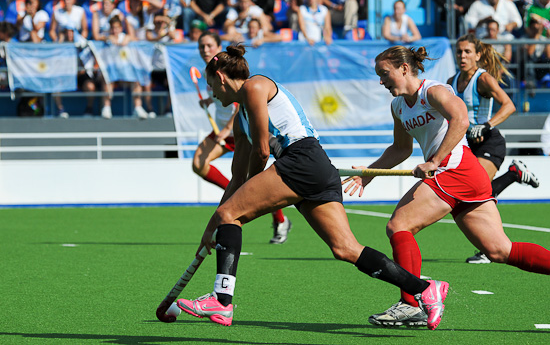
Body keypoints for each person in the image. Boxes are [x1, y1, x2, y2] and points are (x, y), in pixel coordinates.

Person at [168, 44, 449, 330]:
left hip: (300, 160)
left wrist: (230, 212)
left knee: (231, 215)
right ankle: (424, 288)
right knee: (345, 248)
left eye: (211, 84)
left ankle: (222, 301)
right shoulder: (240, 121)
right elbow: (237, 179)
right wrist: (213, 223)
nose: (212, 92)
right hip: (315, 169)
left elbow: (263, 151)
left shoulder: (255, 86)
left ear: (221, 77)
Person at [343, 45, 550, 328]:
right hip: (464, 175)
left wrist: (434, 160)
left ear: (404, 69)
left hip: (455, 169)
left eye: (384, 73)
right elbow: (400, 149)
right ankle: (412, 302)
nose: (381, 81)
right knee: (499, 250)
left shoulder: (434, 91)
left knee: (398, 226)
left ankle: (410, 303)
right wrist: (370, 173)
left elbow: (461, 119)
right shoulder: (398, 106)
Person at [449, 34, 540, 264]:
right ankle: (514, 173)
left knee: (478, 190)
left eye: (468, 52)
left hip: (490, 142)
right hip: (467, 147)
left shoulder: (484, 79)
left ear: (478, 55)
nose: (462, 56)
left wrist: (486, 125)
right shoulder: (451, 81)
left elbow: (509, 105)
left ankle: (487, 249)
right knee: (470, 194)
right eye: (459, 51)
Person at [195, 32, 291, 243]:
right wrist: (209, 103)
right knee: (200, 164)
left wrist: (228, 128)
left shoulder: (231, 74)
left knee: (252, 183)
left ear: (218, 46)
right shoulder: (210, 73)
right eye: (201, 46)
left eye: (209, 45)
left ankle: (279, 218)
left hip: (236, 131)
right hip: (226, 130)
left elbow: (241, 105)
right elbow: (223, 99)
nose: (205, 50)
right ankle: (234, 194)